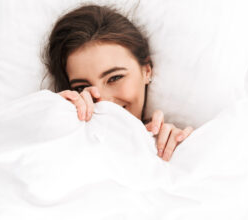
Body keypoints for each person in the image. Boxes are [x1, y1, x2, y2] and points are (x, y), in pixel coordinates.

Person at [43, 4, 193, 161]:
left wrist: (181, 148)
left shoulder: (167, 144)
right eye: (82, 87)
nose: (102, 100)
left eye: (114, 78)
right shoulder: (58, 138)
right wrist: (54, 121)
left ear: (146, 71)